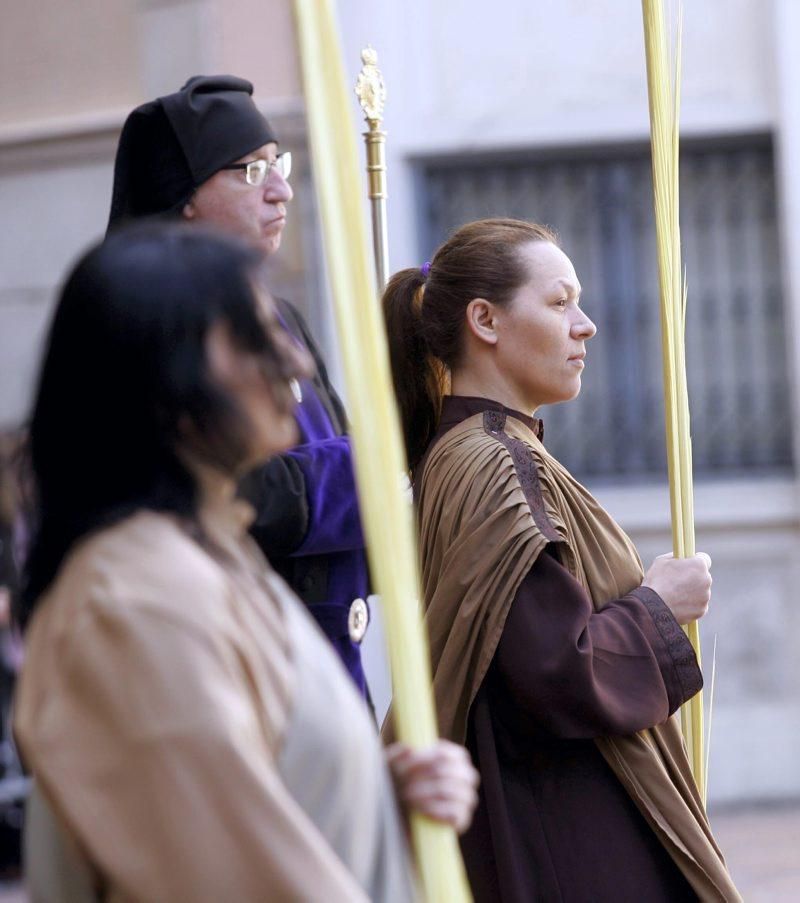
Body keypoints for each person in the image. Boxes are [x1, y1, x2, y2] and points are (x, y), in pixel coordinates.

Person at [13, 223, 478, 901]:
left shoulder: (210, 555)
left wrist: (371, 797)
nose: (293, 361)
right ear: (161, 376)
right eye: (251, 335)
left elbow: (244, 791)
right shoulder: (134, 606)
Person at [382, 218, 741, 901]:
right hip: (563, 831)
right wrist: (659, 607)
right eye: (559, 301)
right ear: (484, 320)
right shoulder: (494, 463)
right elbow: (555, 665)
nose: (586, 325)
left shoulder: (470, 450)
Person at [107, 75, 373, 698]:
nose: (281, 190)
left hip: (334, 669)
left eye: (278, 164)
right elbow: (208, 491)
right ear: (187, 197)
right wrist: (365, 473)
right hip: (239, 669)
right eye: (250, 172)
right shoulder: (150, 328)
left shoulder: (284, 320)